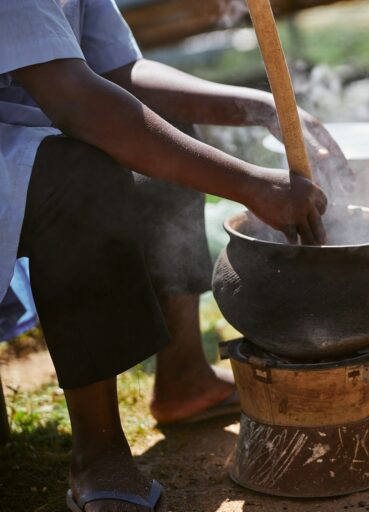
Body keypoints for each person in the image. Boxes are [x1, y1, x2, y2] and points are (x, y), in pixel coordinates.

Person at [0, 0, 351, 510]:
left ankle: (184, 379)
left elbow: (120, 69)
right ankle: (98, 453)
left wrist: (262, 105)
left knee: (169, 129)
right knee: (83, 176)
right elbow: (78, 100)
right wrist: (252, 185)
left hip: (33, 134)